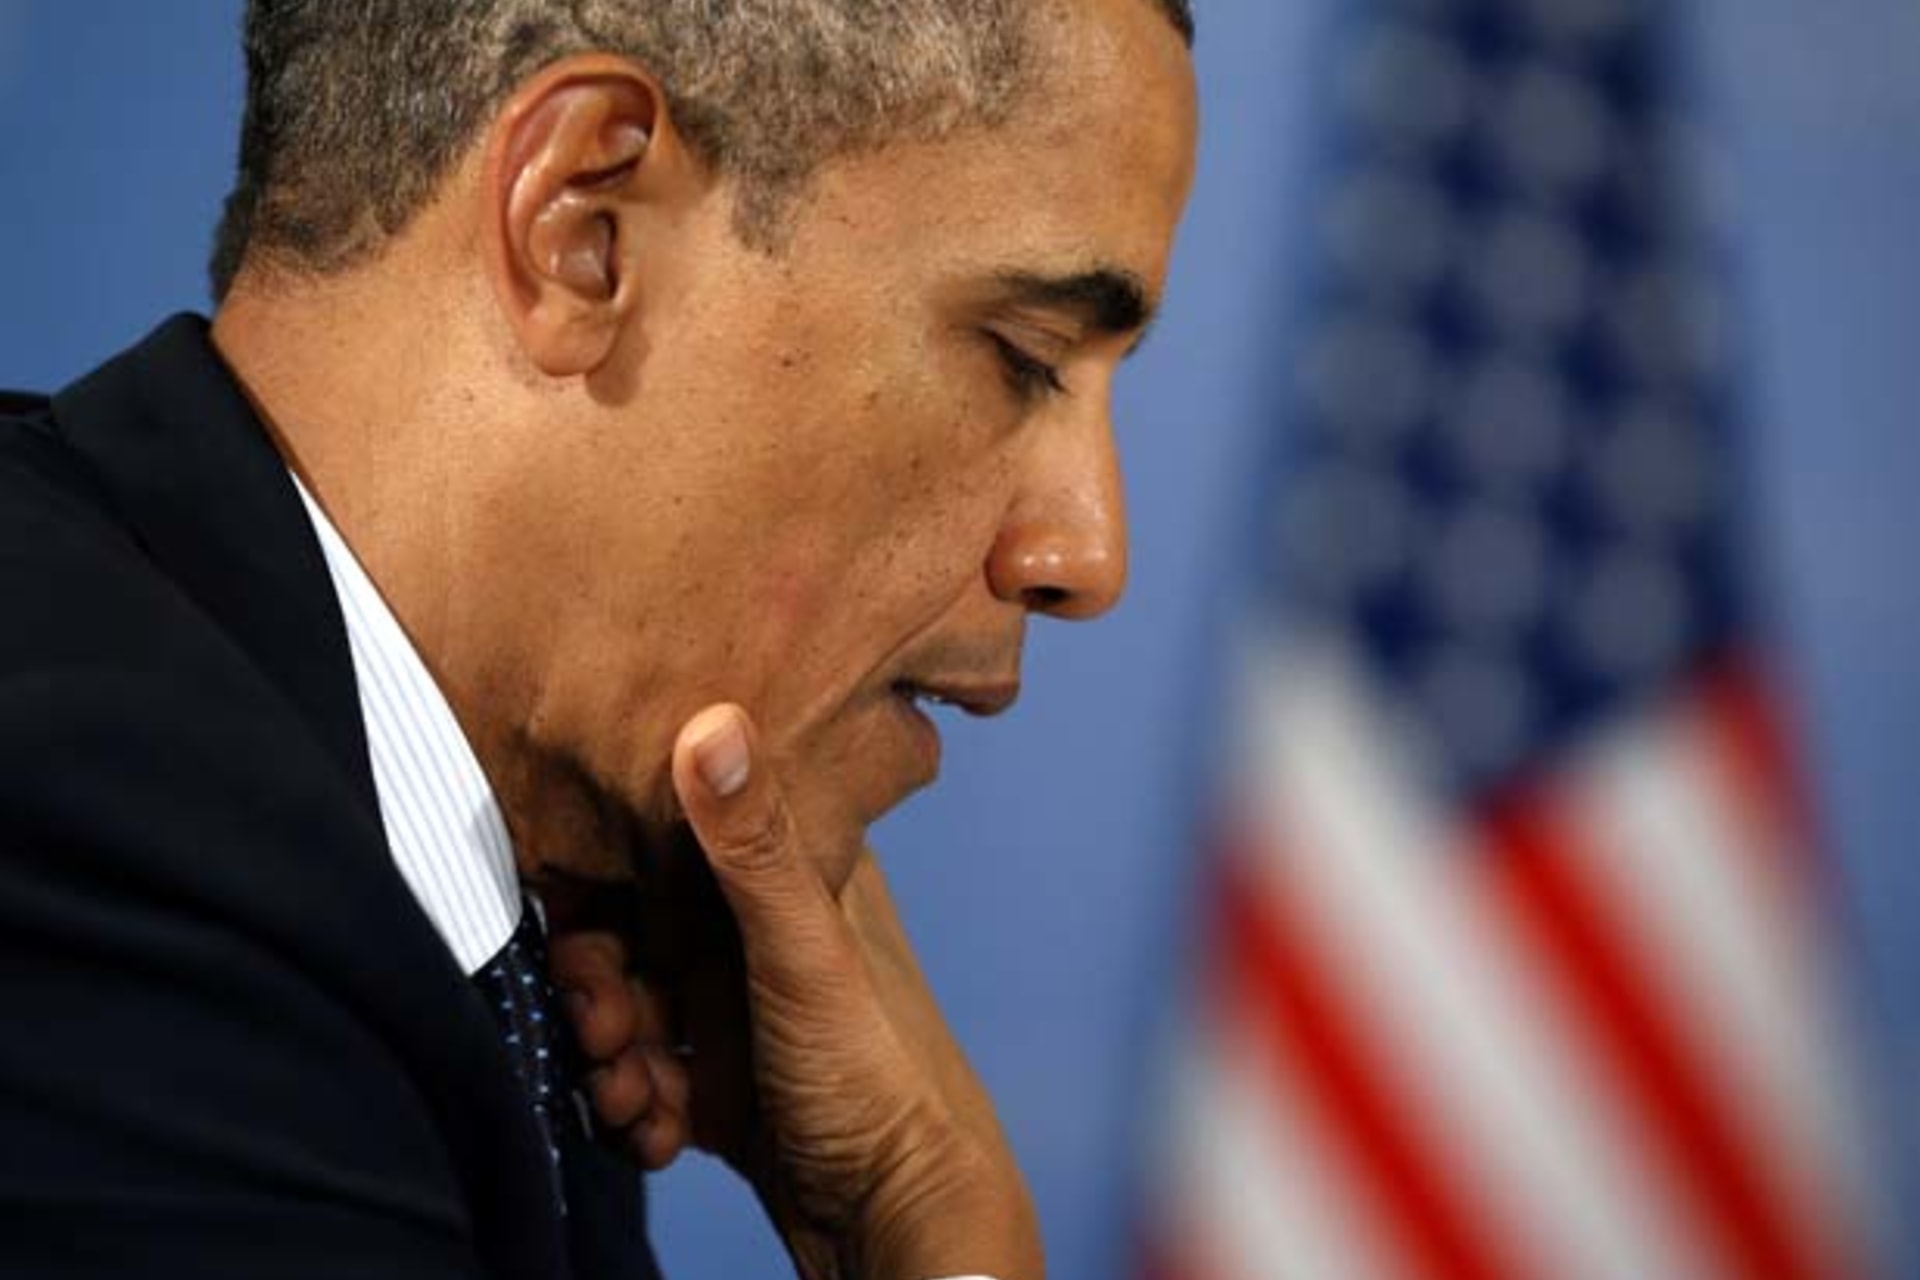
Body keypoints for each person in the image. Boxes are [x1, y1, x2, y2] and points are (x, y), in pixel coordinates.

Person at [0, 0, 1197, 1276]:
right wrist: (940, 1228)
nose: (1087, 553)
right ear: (583, 228)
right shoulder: (87, 825)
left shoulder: (510, 973)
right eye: (1023, 354)